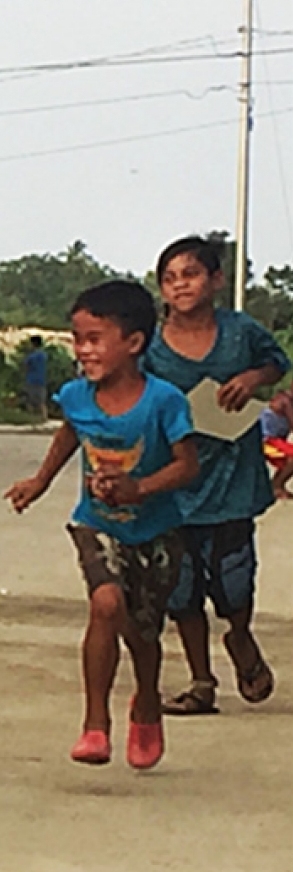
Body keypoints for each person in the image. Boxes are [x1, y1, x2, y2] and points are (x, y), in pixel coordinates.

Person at [5, 280, 198, 770]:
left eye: (95, 339)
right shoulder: (75, 396)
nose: (83, 351)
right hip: (97, 523)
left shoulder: (164, 401)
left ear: (133, 343)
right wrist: (40, 481)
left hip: (156, 531)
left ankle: (147, 701)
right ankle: (95, 723)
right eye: (77, 339)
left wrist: (141, 487)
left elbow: (187, 466)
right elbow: (70, 433)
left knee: (143, 633)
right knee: (106, 603)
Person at [143, 236, 286, 714]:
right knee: (180, 588)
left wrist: (251, 379)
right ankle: (201, 682)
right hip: (172, 477)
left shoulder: (241, 332)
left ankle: (240, 637)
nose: (180, 284)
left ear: (216, 280)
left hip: (231, 474)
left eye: (191, 273)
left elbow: (276, 363)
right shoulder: (150, 343)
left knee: (233, 578)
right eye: (170, 277)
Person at [22, 335, 51, 421]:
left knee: (30, 401)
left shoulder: (32, 356)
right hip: (42, 380)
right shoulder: (43, 355)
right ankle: (44, 417)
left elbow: (25, 365)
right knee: (41, 402)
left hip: (31, 380)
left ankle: (31, 418)